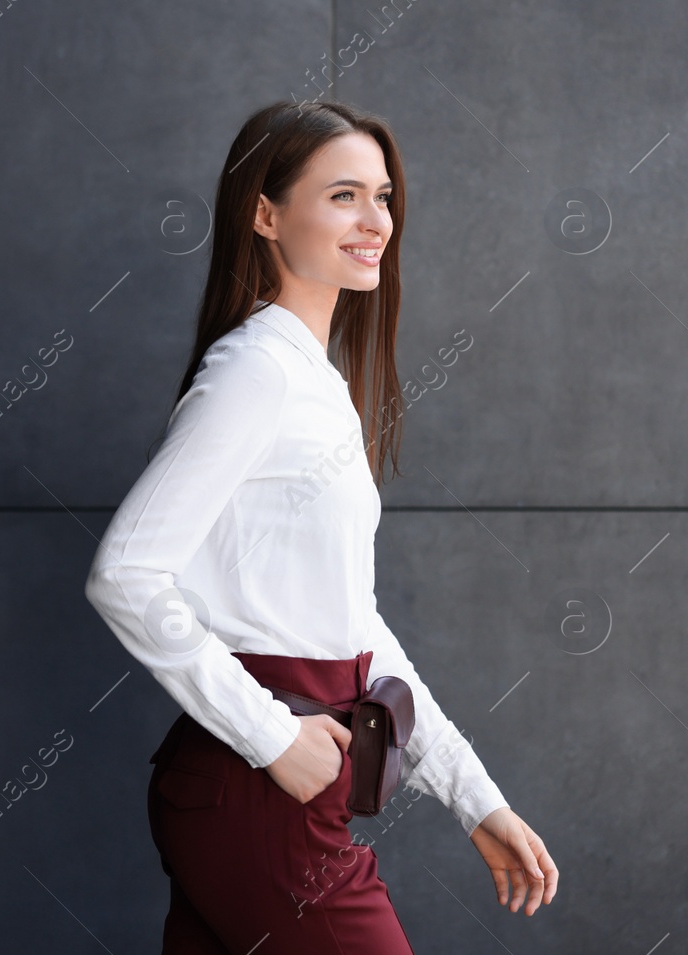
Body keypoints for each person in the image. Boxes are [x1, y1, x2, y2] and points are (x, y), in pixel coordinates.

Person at [82, 100, 557, 953]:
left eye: (381, 195)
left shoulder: (311, 379)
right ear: (266, 214)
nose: (375, 219)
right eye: (343, 194)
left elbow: (355, 629)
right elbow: (125, 573)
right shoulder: (256, 371)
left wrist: (474, 798)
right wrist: (272, 736)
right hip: (255, 788)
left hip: (262, 789)